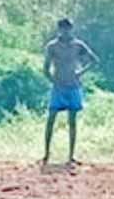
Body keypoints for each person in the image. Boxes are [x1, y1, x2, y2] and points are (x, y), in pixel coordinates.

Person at [42, 18, 99, 166]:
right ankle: (46, 154)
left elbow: (94, 60)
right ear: (58, 29)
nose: (64, 31)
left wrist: (80, 73)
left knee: (72, 122)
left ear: (71, 29)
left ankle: (71, 156)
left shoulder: (78, 45)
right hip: (59, 87)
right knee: (51, 120)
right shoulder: (52, 46)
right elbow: (46, 68)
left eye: (67, 28)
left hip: (73, 86)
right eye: (62, 28)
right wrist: (54, 81)